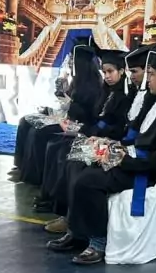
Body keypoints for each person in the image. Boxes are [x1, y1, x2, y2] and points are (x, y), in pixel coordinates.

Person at [48, 50, 156, 265]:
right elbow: (137, 138)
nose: (148, 78)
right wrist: (112, 144)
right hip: (132, 157)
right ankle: (76, 230)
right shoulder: (153, 100)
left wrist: (125, 161)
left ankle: (98, 242)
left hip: (145, 170)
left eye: (152, 74)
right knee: (77, 162)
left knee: (89, 181)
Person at [43, 44, 156, 236]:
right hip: (118, 144)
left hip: (134, 155)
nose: (133, 76)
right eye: (104, 71)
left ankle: (81, 229)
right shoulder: (134, 95)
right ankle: (67, 215)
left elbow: (125, 129)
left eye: (137, 72)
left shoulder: (145, 99)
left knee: (80, 164)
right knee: (71, 156)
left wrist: (110, 142)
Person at [39, 47, 131, 218]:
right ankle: (55, 203)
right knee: (57, 147)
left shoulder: (125, 96)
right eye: (105, 72)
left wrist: (89, 132)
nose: (107, 76)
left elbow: (115, 127)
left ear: (122, 71)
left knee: (70, 157)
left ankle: (68, 215)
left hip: (109, 141)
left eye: (111, 71)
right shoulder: (105, 90)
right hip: (94, 135)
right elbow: (96, 118)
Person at [13, 38, 104, 204]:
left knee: (40, 132)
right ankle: (22, 167)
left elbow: (84, 113)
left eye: (71, 60)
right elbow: (68, 106)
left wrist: (67, 106)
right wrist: (61, 96)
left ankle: (36, 177)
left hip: (81, 125)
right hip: (68, 119)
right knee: (27, 121)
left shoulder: (93, 85)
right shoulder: (76, 80)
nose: (69, 63)